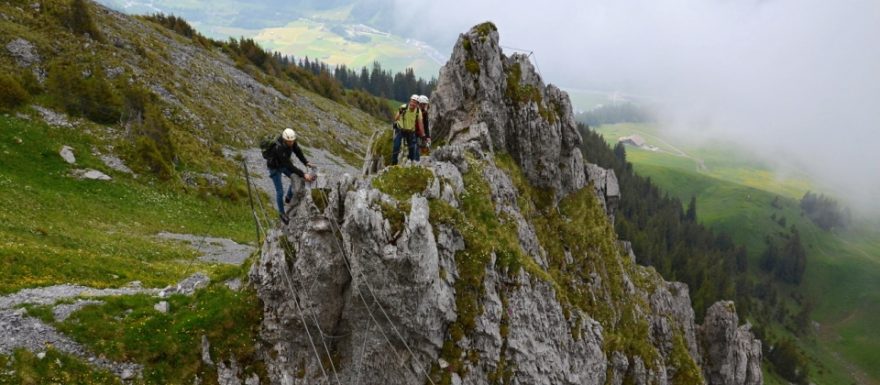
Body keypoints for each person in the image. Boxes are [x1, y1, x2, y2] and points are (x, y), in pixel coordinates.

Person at [265, 128, 315, 224]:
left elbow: (298, 151)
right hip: (274, 168)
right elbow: (289, 165)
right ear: (284, 140)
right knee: (280, 191)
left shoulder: (292, 141)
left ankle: (288, 197)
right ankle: (282, 213)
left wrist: (306, 162)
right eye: (289, 142)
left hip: (283, 165)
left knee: (295, 177)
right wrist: (304, 174)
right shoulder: (279, 148)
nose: (291, 143)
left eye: (292, 141)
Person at [391, 95, 424, 165]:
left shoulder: (418, 111)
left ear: (417, 104)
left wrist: (423, 135)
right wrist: (400, 112)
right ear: (410, 101)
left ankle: (410, 163)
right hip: (400, 129)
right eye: (412, 101)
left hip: (410, 131)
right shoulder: (404, 107)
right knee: (396, 146)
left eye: (415, 102)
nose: (412, 103)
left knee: (412, 149)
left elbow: (421, 124)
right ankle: (394, 163)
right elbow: (396, 118)